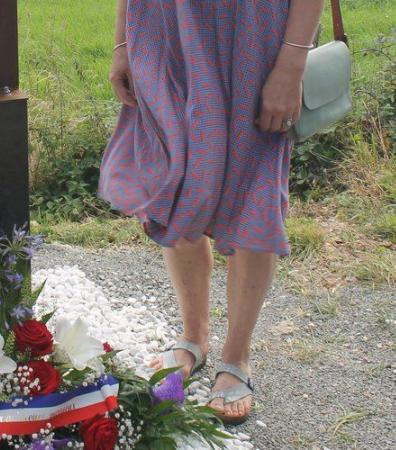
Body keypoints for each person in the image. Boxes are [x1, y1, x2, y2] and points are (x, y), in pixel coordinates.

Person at [98, 0, 324, 423]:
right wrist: (122, 44)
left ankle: (236, 357)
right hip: (165, 34)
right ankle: (193, 336)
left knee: (251, 191)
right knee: (177, 183)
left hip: (255, 40)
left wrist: (292, 63)